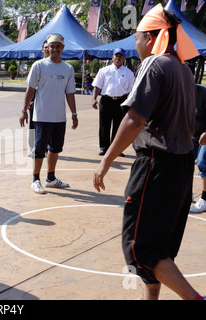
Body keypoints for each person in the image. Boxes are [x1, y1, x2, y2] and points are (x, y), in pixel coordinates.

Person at [93, 4, 204, 300]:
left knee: (140, 248)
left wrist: (106, 160)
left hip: (157, 165)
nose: (136, 44)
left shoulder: (154, 64)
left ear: (152, 38)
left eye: (139, 37)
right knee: (161, 245)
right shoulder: (183, 68)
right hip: (182, 166)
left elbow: (134, 118)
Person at [20, 33, 78, 194]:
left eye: (58, 46)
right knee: (39, 149)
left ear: (63, 48)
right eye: (52, 46)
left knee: (55, 148)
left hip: (59, 117)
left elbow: (70, 93)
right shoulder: (39, 66)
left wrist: (74, 113)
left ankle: (50, 178)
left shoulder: (68, 69)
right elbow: (30, 89)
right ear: (48, 47)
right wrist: (24, 110)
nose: (55, 49)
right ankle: (35, 179)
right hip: (41, 116)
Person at [92, 48, 134, 156]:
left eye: (121, 56)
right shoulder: (104, 71)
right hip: (106, 100)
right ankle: (104, 147)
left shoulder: (129, 73)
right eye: (116, 55)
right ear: (112, 57)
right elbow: (97, 86)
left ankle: (116, 149)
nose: (118, 58)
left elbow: (131, 90)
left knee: (119, 126)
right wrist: (94, 99)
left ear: (124, 58)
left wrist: (130, 104)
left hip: (121, 101)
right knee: (104, 125)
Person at [190, 84, 206, 213]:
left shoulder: (203, 92)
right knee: (185, 160)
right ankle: (186, 192)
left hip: (204, 133)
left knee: (202, 162)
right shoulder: (178, 90)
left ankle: (205, 199)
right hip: (191, 134)